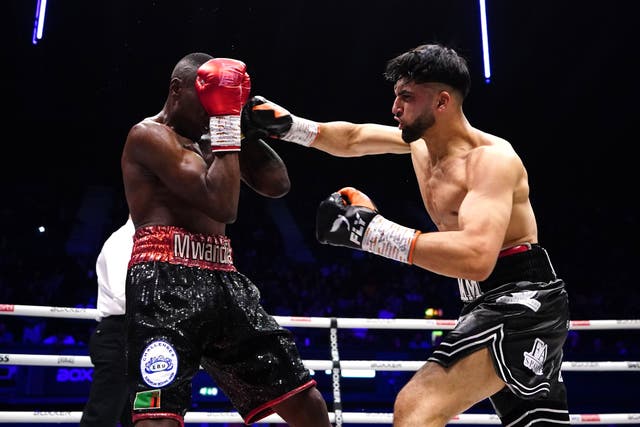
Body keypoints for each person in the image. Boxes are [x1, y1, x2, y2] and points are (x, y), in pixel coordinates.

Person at [242, 43, 571, 427]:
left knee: (415, 408)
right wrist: (290, 126)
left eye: (407, 97)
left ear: (443, 102)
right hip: (484, 300)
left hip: (521, 301)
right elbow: (352, 138)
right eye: (396, 96)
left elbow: (478, 257)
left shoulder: (491, 160)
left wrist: (373, 233)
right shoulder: (419, 145)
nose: (395, 108)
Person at [120, 52, 331, 427]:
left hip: (225, 279)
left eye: (219, 103)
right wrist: (226, 126)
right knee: (159, 413)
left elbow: (277, 185)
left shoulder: (216, 136)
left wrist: (242, 124)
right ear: (176, 90)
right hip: (164, 280)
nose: (212, 112)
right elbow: (221, 204)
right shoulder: (148, 136)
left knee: (303, 400)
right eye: (208, 101)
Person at [81, 216, 135, 427]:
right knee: (102, 415)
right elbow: (122, 295)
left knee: (137, 417)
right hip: (117, 335)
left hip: (140, 336)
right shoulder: (121, 241)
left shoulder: (151, 243)